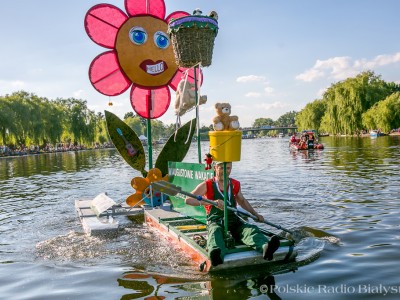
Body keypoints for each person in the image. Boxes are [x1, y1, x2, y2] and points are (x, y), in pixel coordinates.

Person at [185, 162, 280, 267]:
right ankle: (216, 255)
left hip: (233, 220)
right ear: (215, 168)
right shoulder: (207, 184)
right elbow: (188, 200)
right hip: (216, 221)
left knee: (251, 229)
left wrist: (256, 214)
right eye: (222, 168)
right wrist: (211, 202)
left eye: (228, 168)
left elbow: (242, 201)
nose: (225, 171)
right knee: (215, 232)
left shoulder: (234, 184)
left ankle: (265, 248)